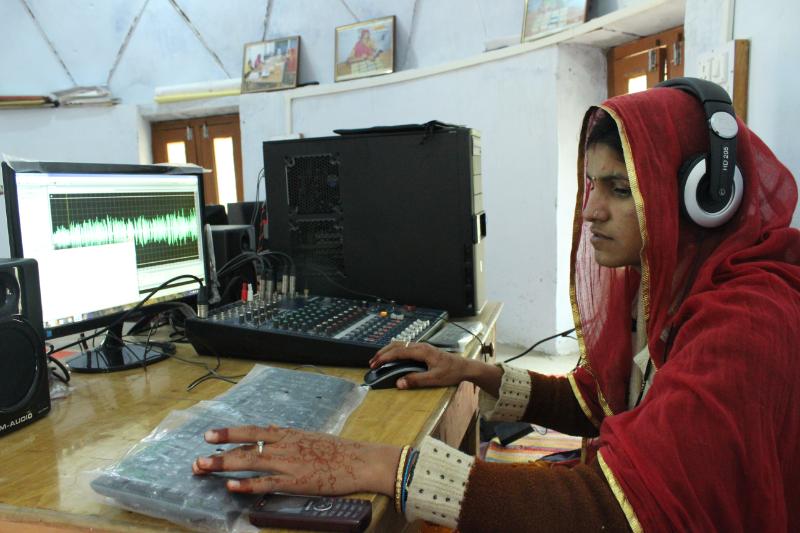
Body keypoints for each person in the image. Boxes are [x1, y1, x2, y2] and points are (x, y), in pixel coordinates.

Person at [192, 81, 800, 531]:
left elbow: (612, 508)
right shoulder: (672, 283)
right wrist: (475, 373)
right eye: (594, 185)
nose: (590, 211)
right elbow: (601, 400)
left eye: (621, 189)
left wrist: (385, 467)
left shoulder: (746, 324)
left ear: (703, 199)